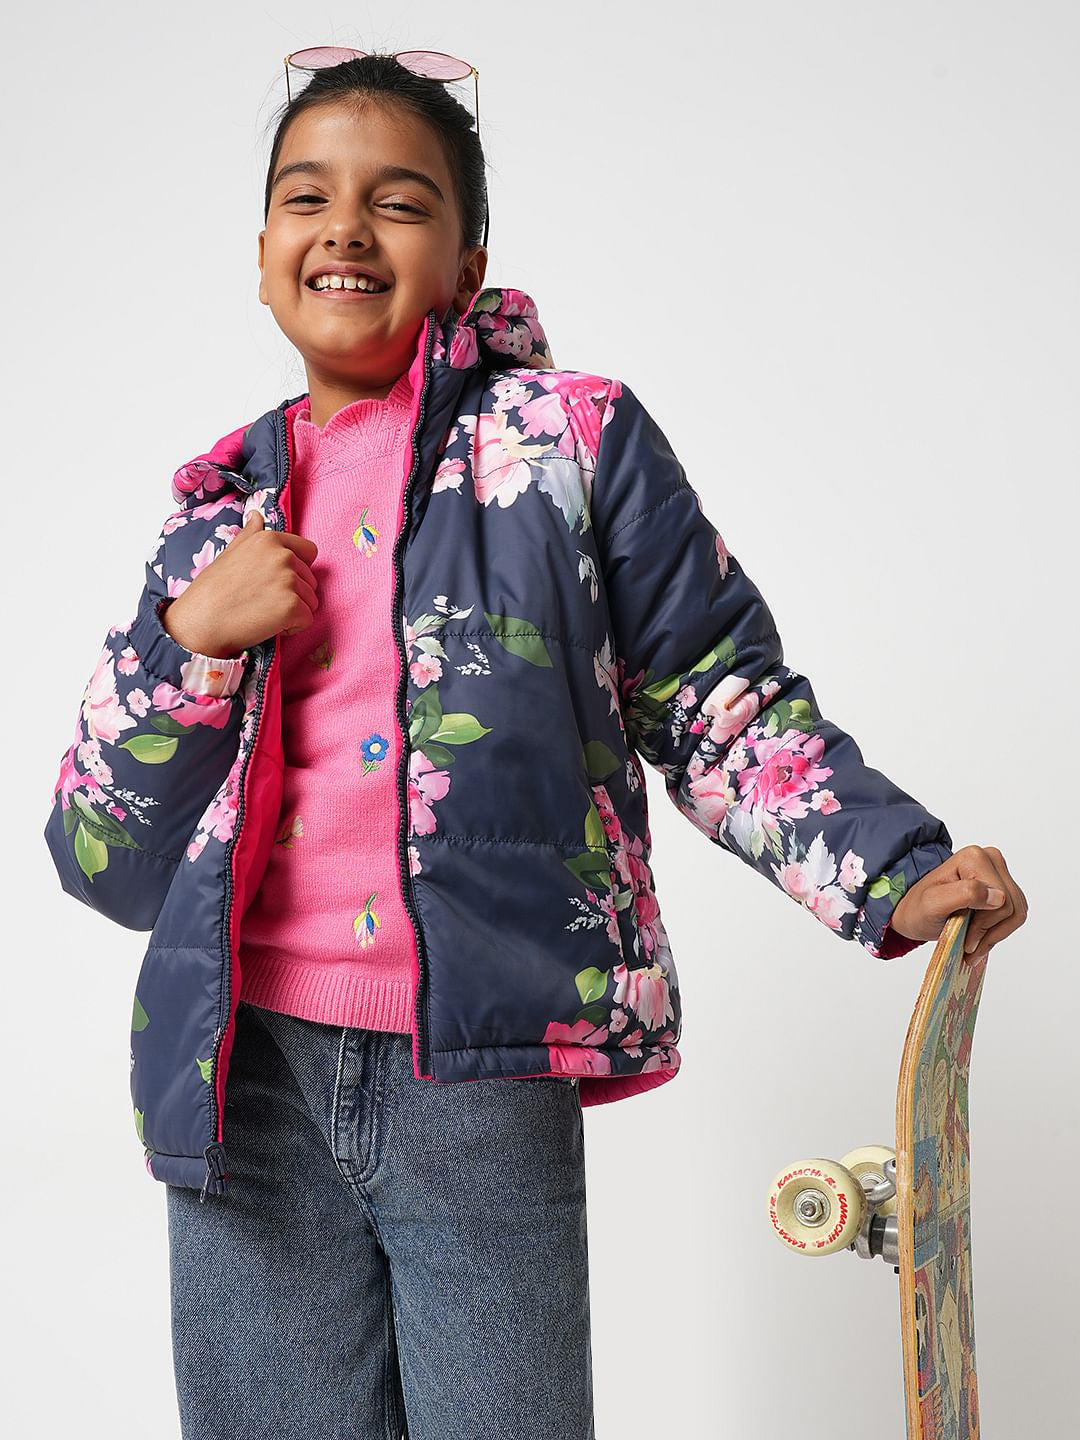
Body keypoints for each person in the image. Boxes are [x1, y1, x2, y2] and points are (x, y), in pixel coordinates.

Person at [42, 48, 1027, 1440]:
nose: (346, 228)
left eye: (399, 201)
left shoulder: (570, 445)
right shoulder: (215, 513)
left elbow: (714, 695)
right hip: (241, 1081)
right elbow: (101, 852)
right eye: (306, 198)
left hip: (483, 1069)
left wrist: (892, 869)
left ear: (467, 261)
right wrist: (192, 639)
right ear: (261, 256)